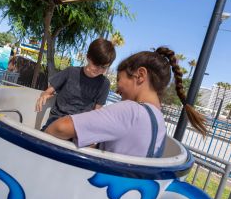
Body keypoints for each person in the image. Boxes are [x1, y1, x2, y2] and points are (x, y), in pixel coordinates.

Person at [45, 46, 207, 157]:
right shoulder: (158, 121)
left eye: (119, 79)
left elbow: (61, 127)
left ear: (140, 75)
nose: (117, 89)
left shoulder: (130, 111)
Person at [35, 38, 116, 130]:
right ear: (88, 57)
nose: (99, 69)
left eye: (103, 67)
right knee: (59, 129)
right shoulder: (70, 72)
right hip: (57, 120)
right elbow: (47, 92)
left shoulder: (104, 84)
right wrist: (44, 95)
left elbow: (97, 113)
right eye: (96, 64)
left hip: (80, 126)